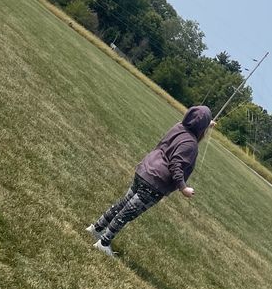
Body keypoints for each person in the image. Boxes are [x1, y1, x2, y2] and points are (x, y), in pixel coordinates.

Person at [87, 105, 213, 257]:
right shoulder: (191, 145)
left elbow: (193, 126)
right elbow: (176, 165)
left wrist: (206, 124)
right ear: (202, 128)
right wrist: (183, 188)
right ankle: (103, 243)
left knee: (123, 203)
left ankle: (96, 228)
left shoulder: (179, 126)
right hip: (155, 183)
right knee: (127, 213)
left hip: (144, 171)